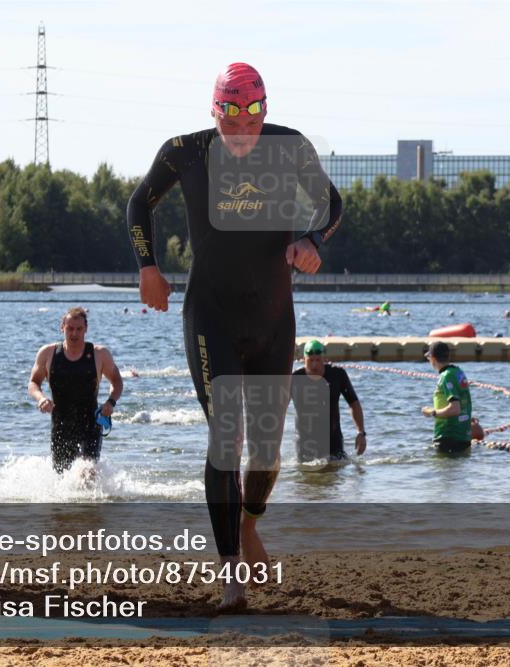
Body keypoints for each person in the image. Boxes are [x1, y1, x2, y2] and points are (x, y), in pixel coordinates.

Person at [126, 63, 342, 611]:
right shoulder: (187, 150)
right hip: (211, 318)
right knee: (228, 439)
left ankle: (250, 525)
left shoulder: (290, 148)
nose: (241, 133)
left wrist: (313, 239)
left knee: (266, 450)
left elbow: (331, 203)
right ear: (214, 113)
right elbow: (139, 203)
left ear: (264, 112)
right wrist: (148, 267)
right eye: (230, 121)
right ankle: (230, 576)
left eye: (250, 120)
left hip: (273, 321)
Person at [28, 307, 124, 473]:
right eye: (70, 328)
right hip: (61, 424)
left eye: (79, 329)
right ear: (62, 327)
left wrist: (111, 402)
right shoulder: (48, 353)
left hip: (91, 424)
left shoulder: (99, 354)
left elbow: (117, 382)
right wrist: (41, 398)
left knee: (87, 471)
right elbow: (33, 383)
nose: (74, 334)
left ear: (85, 329)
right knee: (62, 477)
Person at [290, 340, 366, 463]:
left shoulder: (337, 375)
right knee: (306, 479)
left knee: (334, 479)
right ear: (304, 360)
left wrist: (361, 432)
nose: (314, 365)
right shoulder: (295, 379)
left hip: (333, 441)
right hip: (305, 443)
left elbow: (354, 403)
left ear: (324, 359)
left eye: (318, 360)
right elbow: (280, 408)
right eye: (310, 361)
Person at [421, 341, 473, 454]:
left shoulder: (446, 376)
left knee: (441, 470)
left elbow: (455, 409)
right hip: (464, 436)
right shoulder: (458, 372)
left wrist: (432, 412)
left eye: (429, 358)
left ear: (433, 358)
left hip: (448, 436)